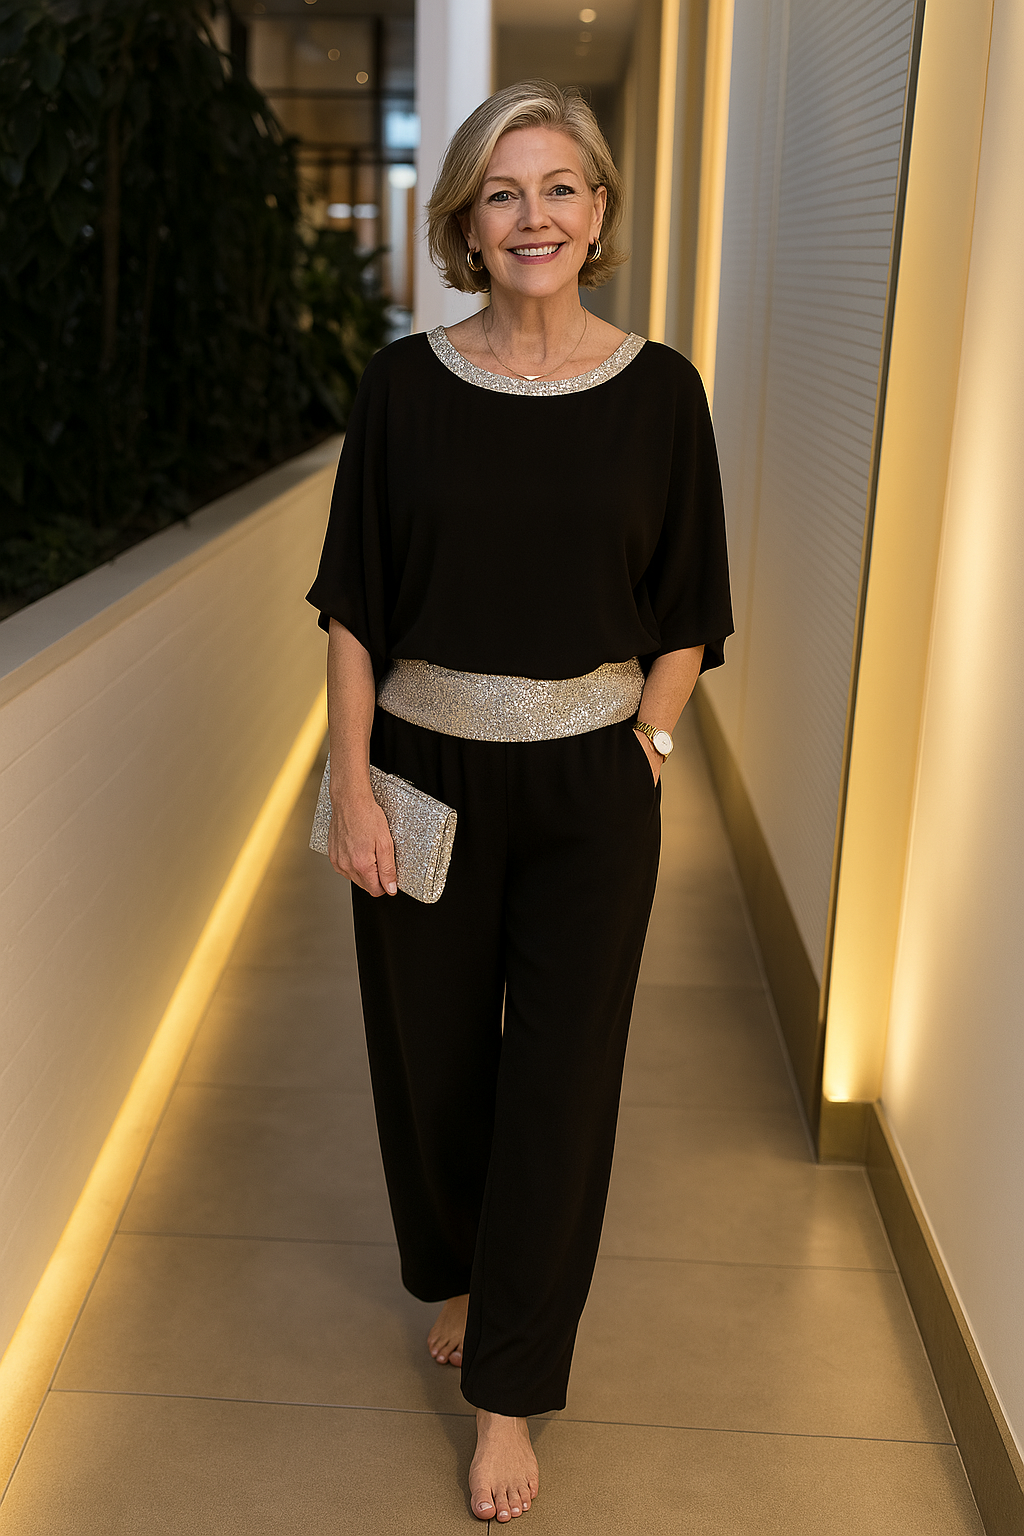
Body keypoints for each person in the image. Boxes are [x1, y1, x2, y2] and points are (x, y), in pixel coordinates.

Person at [306, 78, 732, 1523]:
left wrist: (646, 748)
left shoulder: (661, 394)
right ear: (466, 225)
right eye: (503, 193)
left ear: (598, 211)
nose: (533, 217)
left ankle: (510, 1393)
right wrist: (352, 785)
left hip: (590, 788)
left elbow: (688, 608)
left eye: (559, 188)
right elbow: (355, 608)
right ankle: (464, 1270)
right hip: (421, 771)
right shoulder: (402, 389)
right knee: (432, 1067)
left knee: (560, 1084)